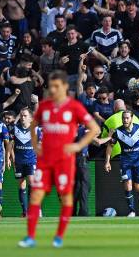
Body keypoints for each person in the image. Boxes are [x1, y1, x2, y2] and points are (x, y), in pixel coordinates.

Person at [19, 70, 99, 249]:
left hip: (65, 161)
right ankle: (30, 237)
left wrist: (78, 146)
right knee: (36, 195)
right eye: (51, 86)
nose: (53, 89)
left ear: (64, 87)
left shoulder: (74, 107)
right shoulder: (45, 106)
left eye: (56, 86)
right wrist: (34, 145)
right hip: (45, 160)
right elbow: (33, 125)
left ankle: (59, 237)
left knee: (66, 198)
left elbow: (94, 129)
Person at [103, 110, 139, 217]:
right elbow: (110, 146)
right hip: (125, 162)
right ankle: (132, 210)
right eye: (124, 118)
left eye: (127, 118)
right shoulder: (117, 132)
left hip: (138, 161)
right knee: (127, 186)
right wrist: (107, 162)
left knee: (138, 188)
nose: (125, 120)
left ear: (132, 118)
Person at [8, 107, 40, 217]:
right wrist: (9, 157)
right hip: (19, 162)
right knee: (21, 185)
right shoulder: (14, 129)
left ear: (31, 118)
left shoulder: (36, 129)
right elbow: (10, 145)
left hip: (31, 161)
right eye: (21, 115)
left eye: (25, 115)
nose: (22, 117)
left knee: (32, 182)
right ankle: (25, 211)